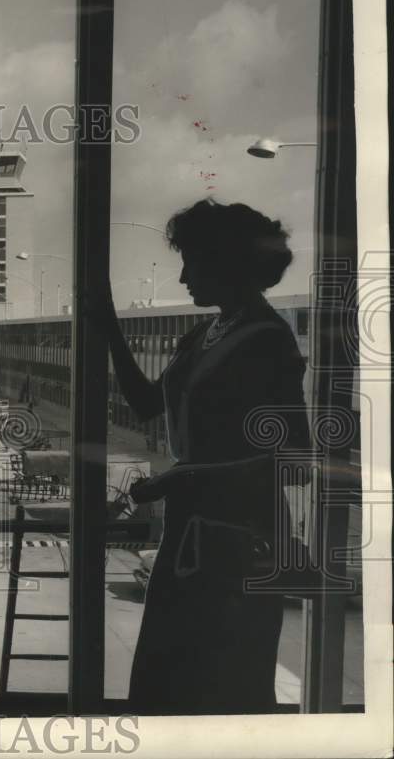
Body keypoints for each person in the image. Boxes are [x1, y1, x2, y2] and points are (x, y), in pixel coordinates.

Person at [88, 200, 310, 715]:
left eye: (192, 261)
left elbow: (293, 456)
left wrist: (182, 479)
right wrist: (110, 331)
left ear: (226, 262)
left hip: (239, 540)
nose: (183, 276)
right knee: (170, 679)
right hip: (191, 534)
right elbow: (146, 404)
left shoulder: (268, 341)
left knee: (222, 682)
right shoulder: (204, 334)